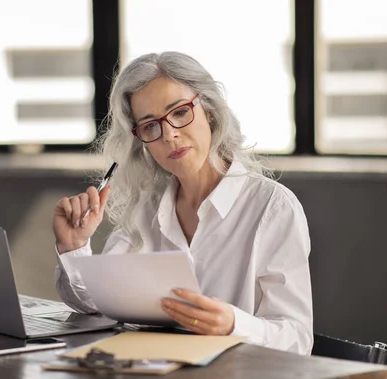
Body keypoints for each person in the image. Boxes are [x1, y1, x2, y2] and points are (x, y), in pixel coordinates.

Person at [53, 52, 313, 355]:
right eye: (150, 126)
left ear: (210, 111)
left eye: (179, 112)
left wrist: (233, 325)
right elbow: (101, 304)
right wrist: (74, 246)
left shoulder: (272, 207)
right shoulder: (146, 208)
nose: (170, 135)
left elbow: (297, 339)